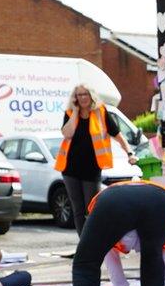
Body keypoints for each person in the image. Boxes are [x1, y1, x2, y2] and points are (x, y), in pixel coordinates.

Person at [56, 83, 138, 235]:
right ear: (75, 98)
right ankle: (83, 244)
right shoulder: (69, 113)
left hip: (92, 168)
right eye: (79, 95)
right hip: (70, 169)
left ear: (91, 95)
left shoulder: (101, 112)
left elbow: (117, 135)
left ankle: (94, 241)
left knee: (92, 208)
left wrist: (129, 153)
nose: (82, 98)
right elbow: (66, 134)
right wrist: (74, 112)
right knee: (78, 210)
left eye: (85, 94)